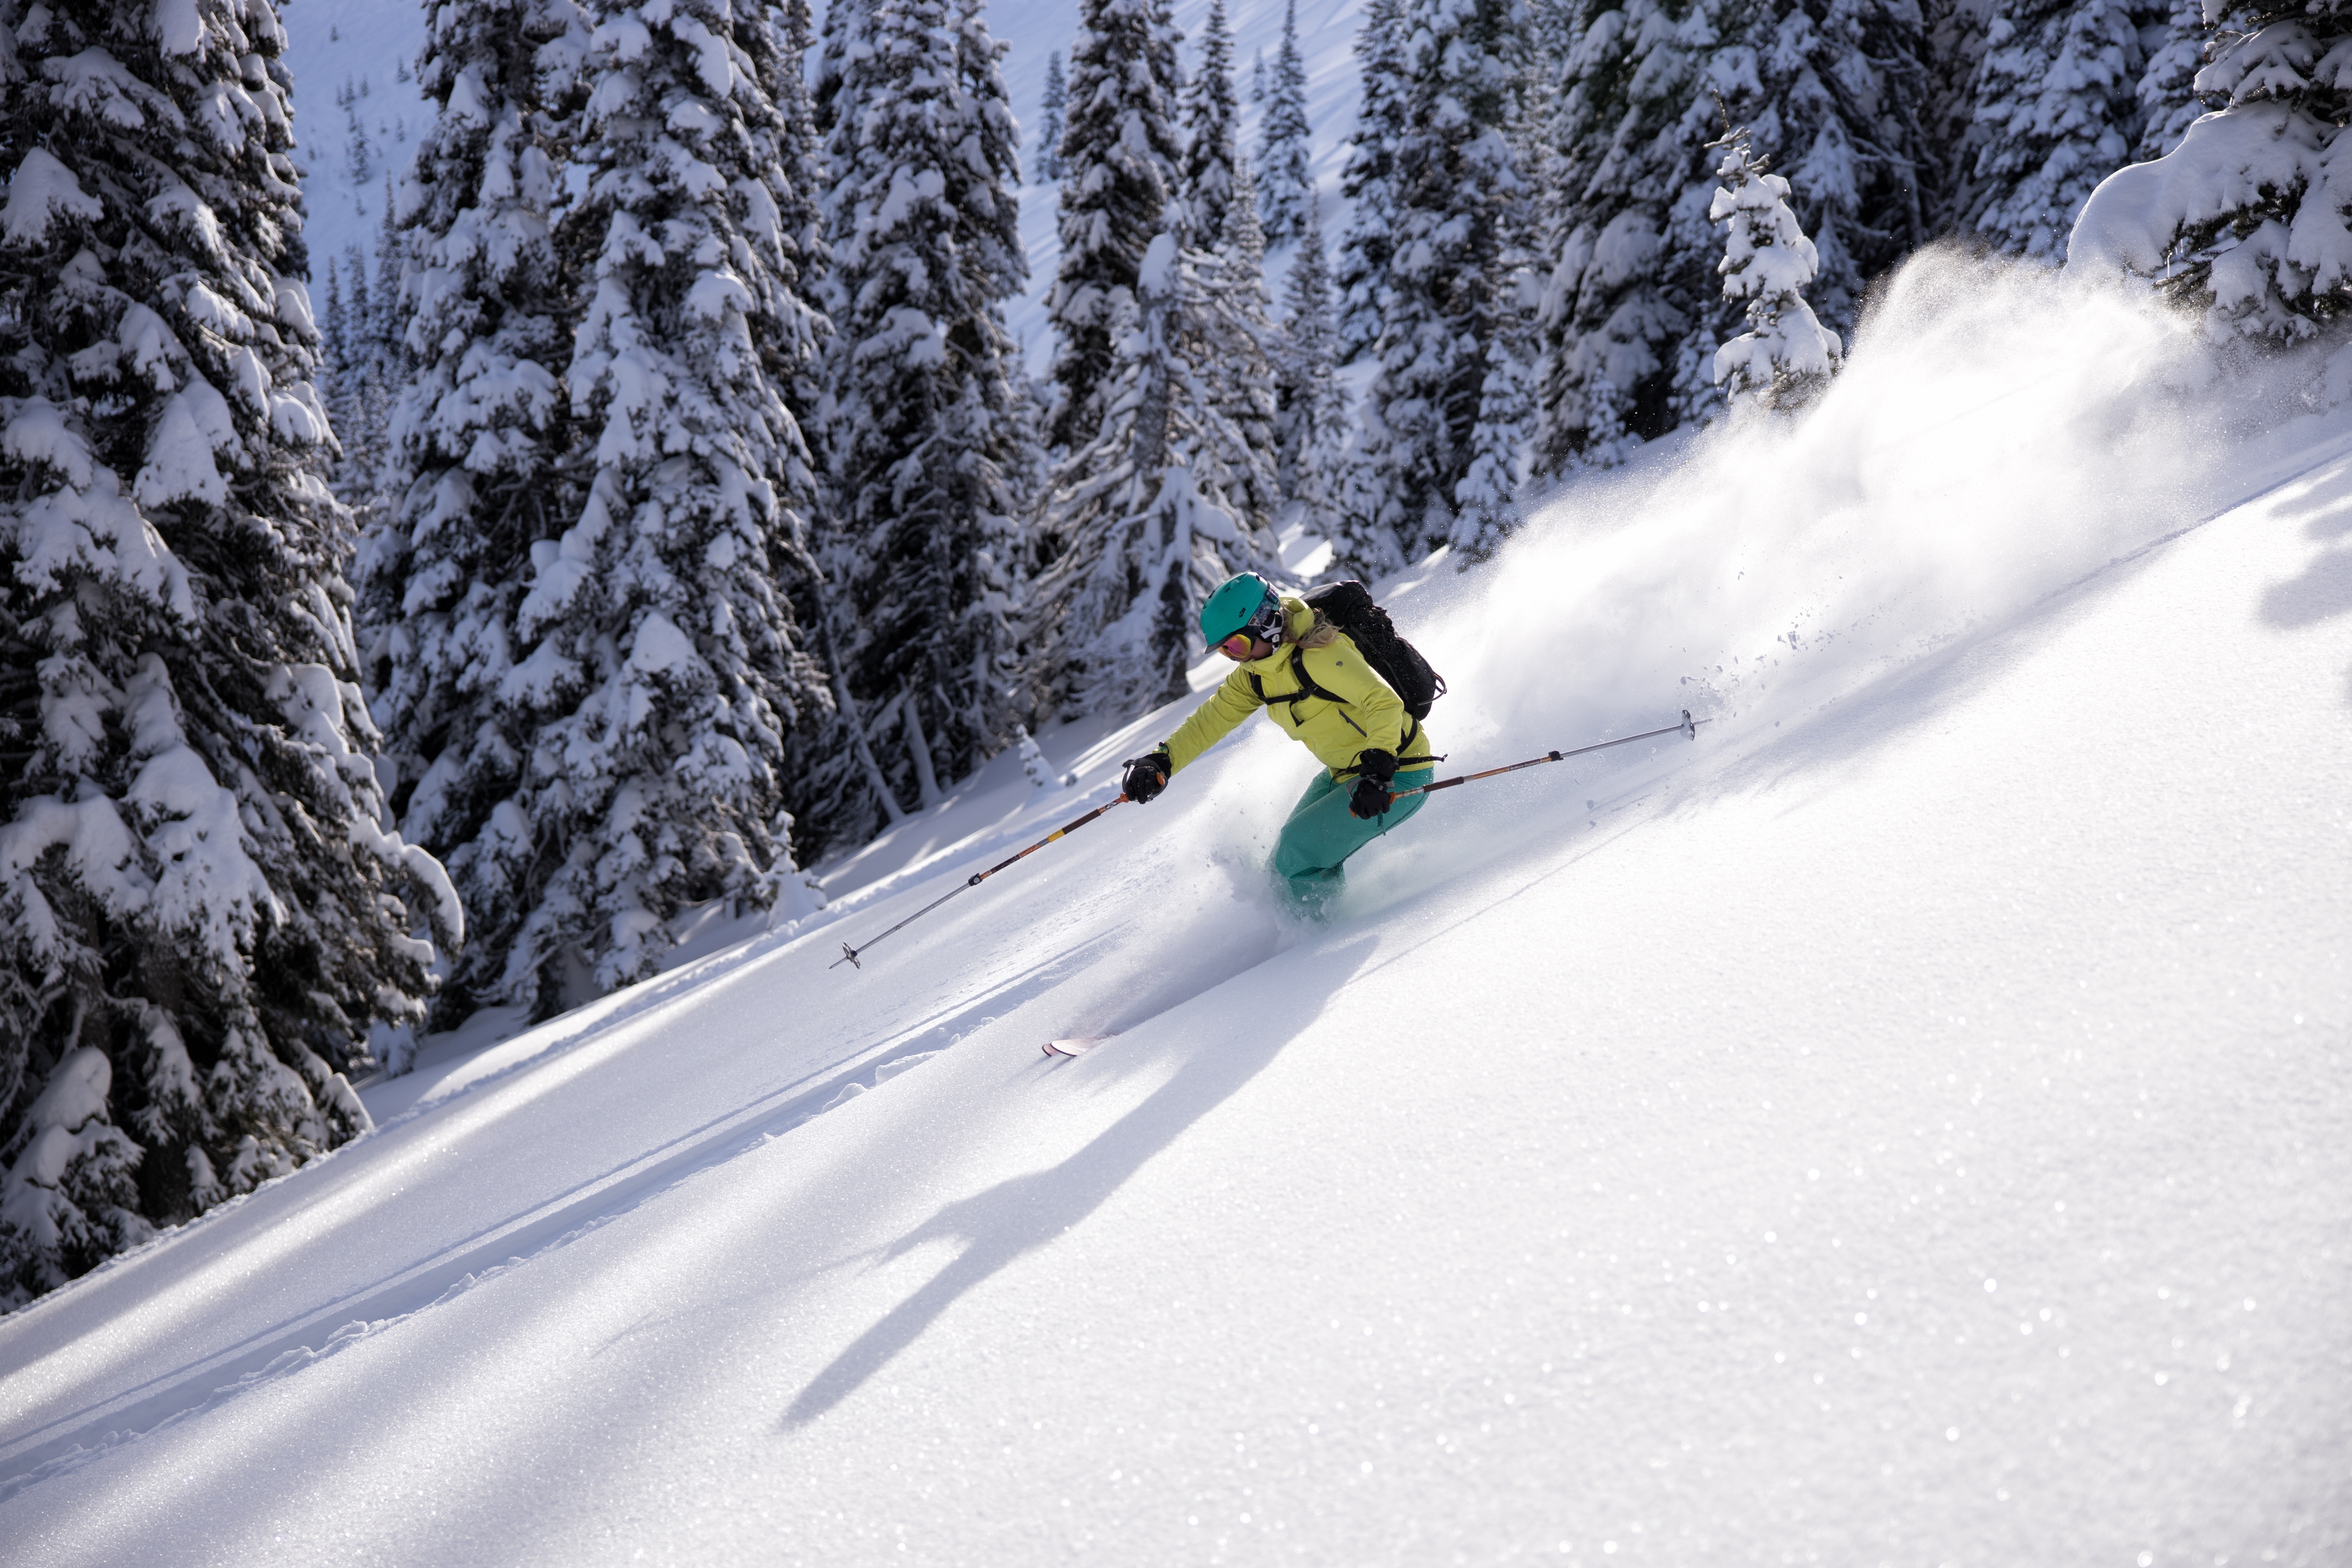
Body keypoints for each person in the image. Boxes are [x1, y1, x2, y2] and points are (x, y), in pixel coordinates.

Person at [1120, 572, 1439, 910]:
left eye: (1238, 645)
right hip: (1349, 773)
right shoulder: (1259, 674)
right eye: (1226, 651)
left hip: (1397, 773)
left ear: (1266, 623)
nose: (1236, 658)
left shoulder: (1321, 655)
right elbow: (1211, 720)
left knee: (1295, 858)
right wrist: (1162, 761)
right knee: (1281, 867)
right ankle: (1310, 935)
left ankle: (1321, 945)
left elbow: (1383, 702)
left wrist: (1378, 772)